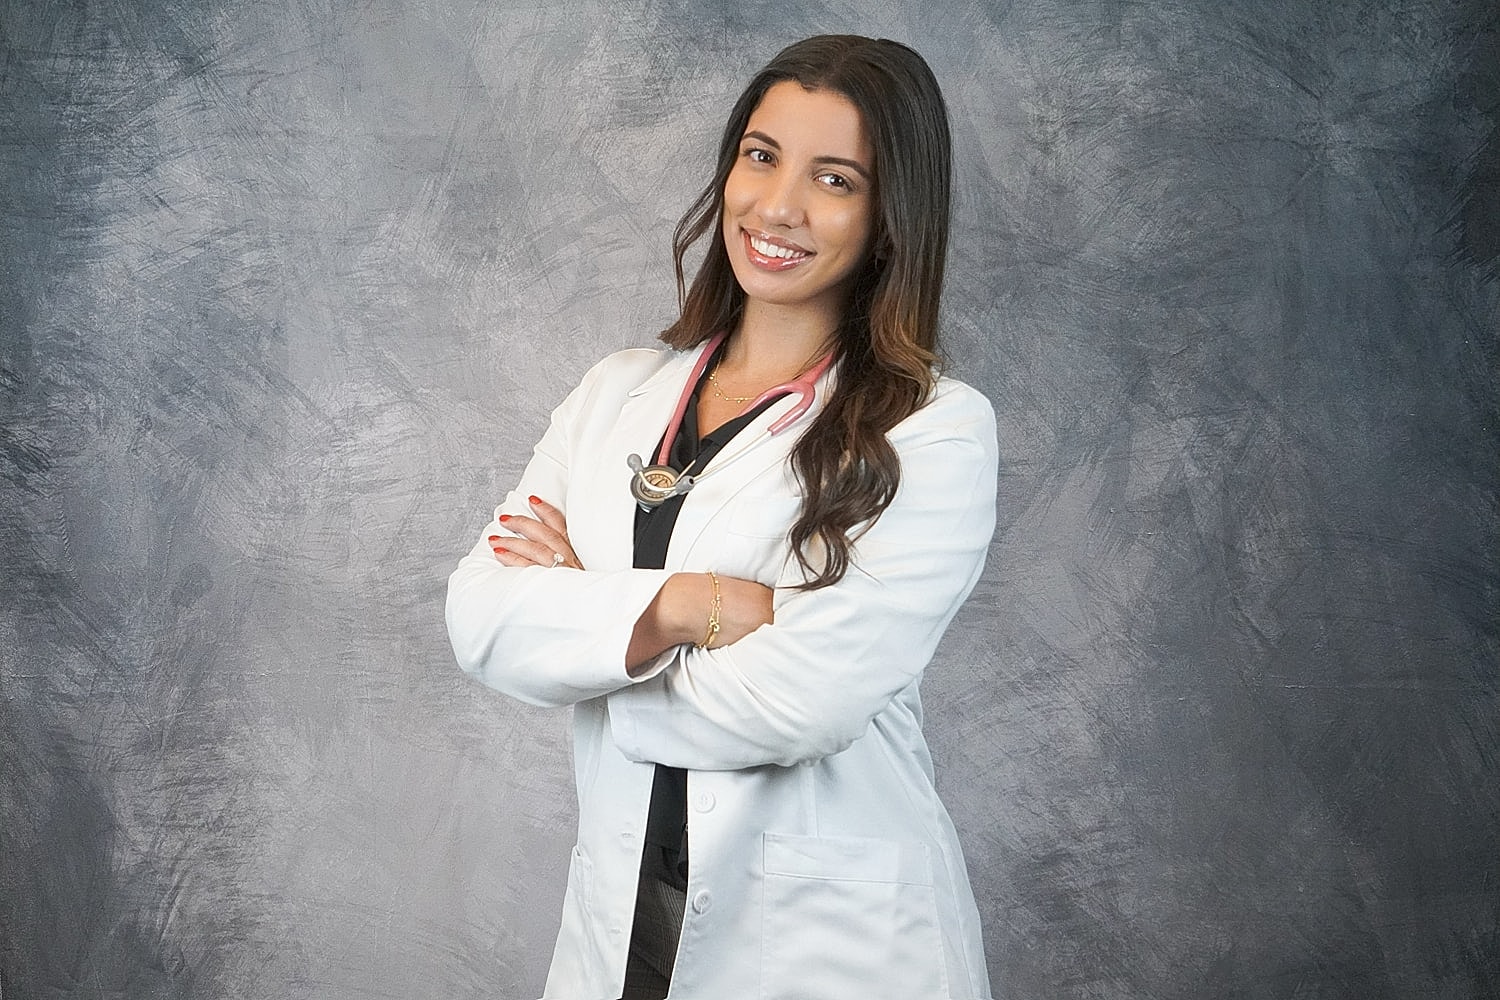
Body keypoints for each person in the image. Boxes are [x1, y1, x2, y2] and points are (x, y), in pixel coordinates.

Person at [446, 34, 996, 1000]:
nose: (777, 207)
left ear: (890, 215)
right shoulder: (617, 391)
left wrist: (585, 626)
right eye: (760, 155)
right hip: (624, 934)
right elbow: (482, 621)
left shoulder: (934, 430)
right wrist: (683, 609)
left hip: (829, 947)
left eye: (834, 179)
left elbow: (799, 703)